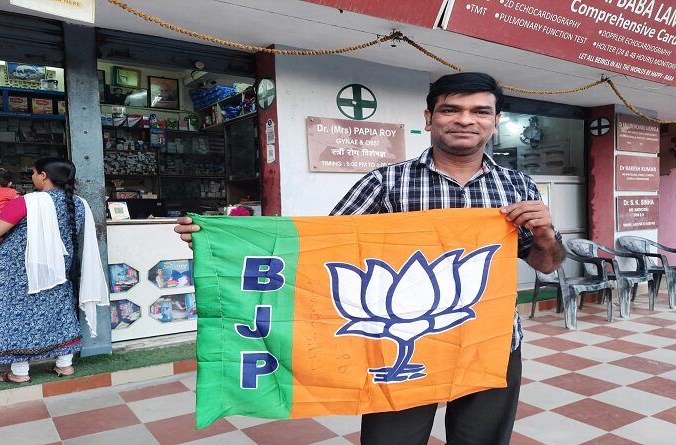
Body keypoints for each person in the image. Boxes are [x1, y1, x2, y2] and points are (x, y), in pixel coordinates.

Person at [174, 72, 564, 444]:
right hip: (399, 347)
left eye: (480, 111)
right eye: (450, 109)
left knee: (482, 440)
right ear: (429, 118)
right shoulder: (386, 182)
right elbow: (319, 250)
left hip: (491, 343)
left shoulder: (518, 186)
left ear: (495, 121)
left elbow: (547, 264)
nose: (465, 120)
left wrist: (545, 235)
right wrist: (225, 247)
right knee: (391, 440)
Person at [0, 158, 108, 383]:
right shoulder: (79, 203)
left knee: (14, 315)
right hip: (58, 268)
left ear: (43, 176)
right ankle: (65, 365)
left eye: (33, 173)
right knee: (59, 311)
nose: (32, 177)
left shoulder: (27, 202)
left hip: (16, 271)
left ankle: (19, 372)